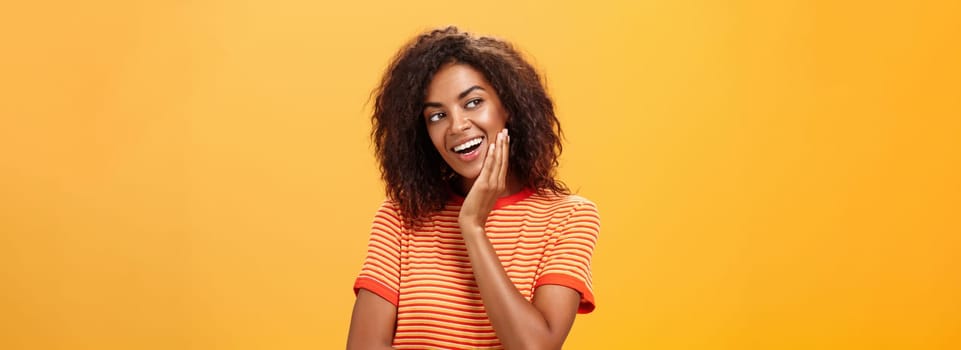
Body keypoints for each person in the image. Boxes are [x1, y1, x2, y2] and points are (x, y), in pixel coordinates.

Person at [347, 26, 600, 350]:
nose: (457, 126)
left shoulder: (568, 217)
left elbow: (535, 347)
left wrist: (473, 227)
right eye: (437, 115)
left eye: (473, 102)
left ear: (507, 107)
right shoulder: (400, 216)